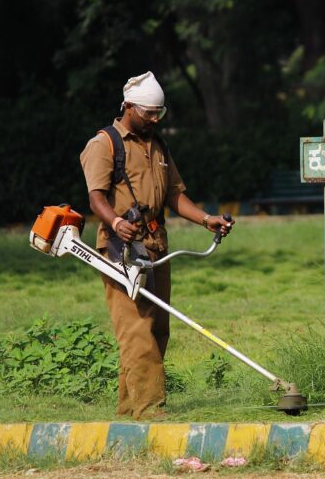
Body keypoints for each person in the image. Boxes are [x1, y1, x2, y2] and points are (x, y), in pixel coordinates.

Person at [80, 71, 234, 419]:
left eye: (159, 114)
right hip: (119, 249)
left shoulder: (159, 145)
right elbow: (96, 198)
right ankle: (150, 409)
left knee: (156, 328)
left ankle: (128, 408)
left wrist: (205, 218)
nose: (154, 119)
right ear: (129, 107)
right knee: (136, 329)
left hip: (156, 245)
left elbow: (175, 195)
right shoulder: (104, 144)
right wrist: (117, 222)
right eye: (149, 113)